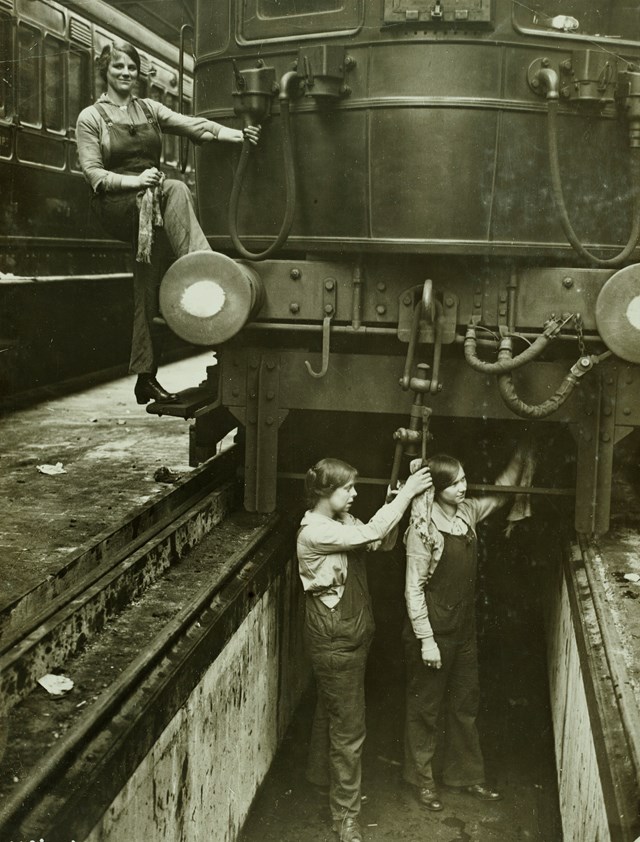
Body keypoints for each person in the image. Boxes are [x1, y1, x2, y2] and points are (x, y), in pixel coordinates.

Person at [76, 41, 260, 405]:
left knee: (148, 277)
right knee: (174, 187)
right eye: (117, 68)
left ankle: (145, 376)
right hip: (116, 204)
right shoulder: (91, 118)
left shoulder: (148, 109)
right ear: (105, 72)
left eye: (131, 68)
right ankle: (208, 273)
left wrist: (238, 136)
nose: (125, 74)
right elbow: (95, 176)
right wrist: (138, 182)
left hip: (149, 206)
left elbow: (196, 126)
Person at [297, 458, 432, 842]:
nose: (355, 494)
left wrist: (394, 503)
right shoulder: (315, 532)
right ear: (327, 492)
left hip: (348, 634)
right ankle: (346, 818)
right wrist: (406, 495)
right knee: (349, 730)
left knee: (332, 710)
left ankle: (318, 781)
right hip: (335, 639)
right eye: (349, 488)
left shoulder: (342, 523)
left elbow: (378, 541)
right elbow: (372, 530)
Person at [403, 446, 531, 812]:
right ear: (437, 487)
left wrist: (520, 459)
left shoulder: (466, 514)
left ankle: (466, 776)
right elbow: (413, 589)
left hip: (463, 629)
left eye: (463, 480)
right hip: (433, 631)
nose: (463, 487)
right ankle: (423, 781)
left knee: (464, 703)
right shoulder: (423, 531)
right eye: (455, 482)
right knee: (425, 707)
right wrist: (426, 641)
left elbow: (498, 494)